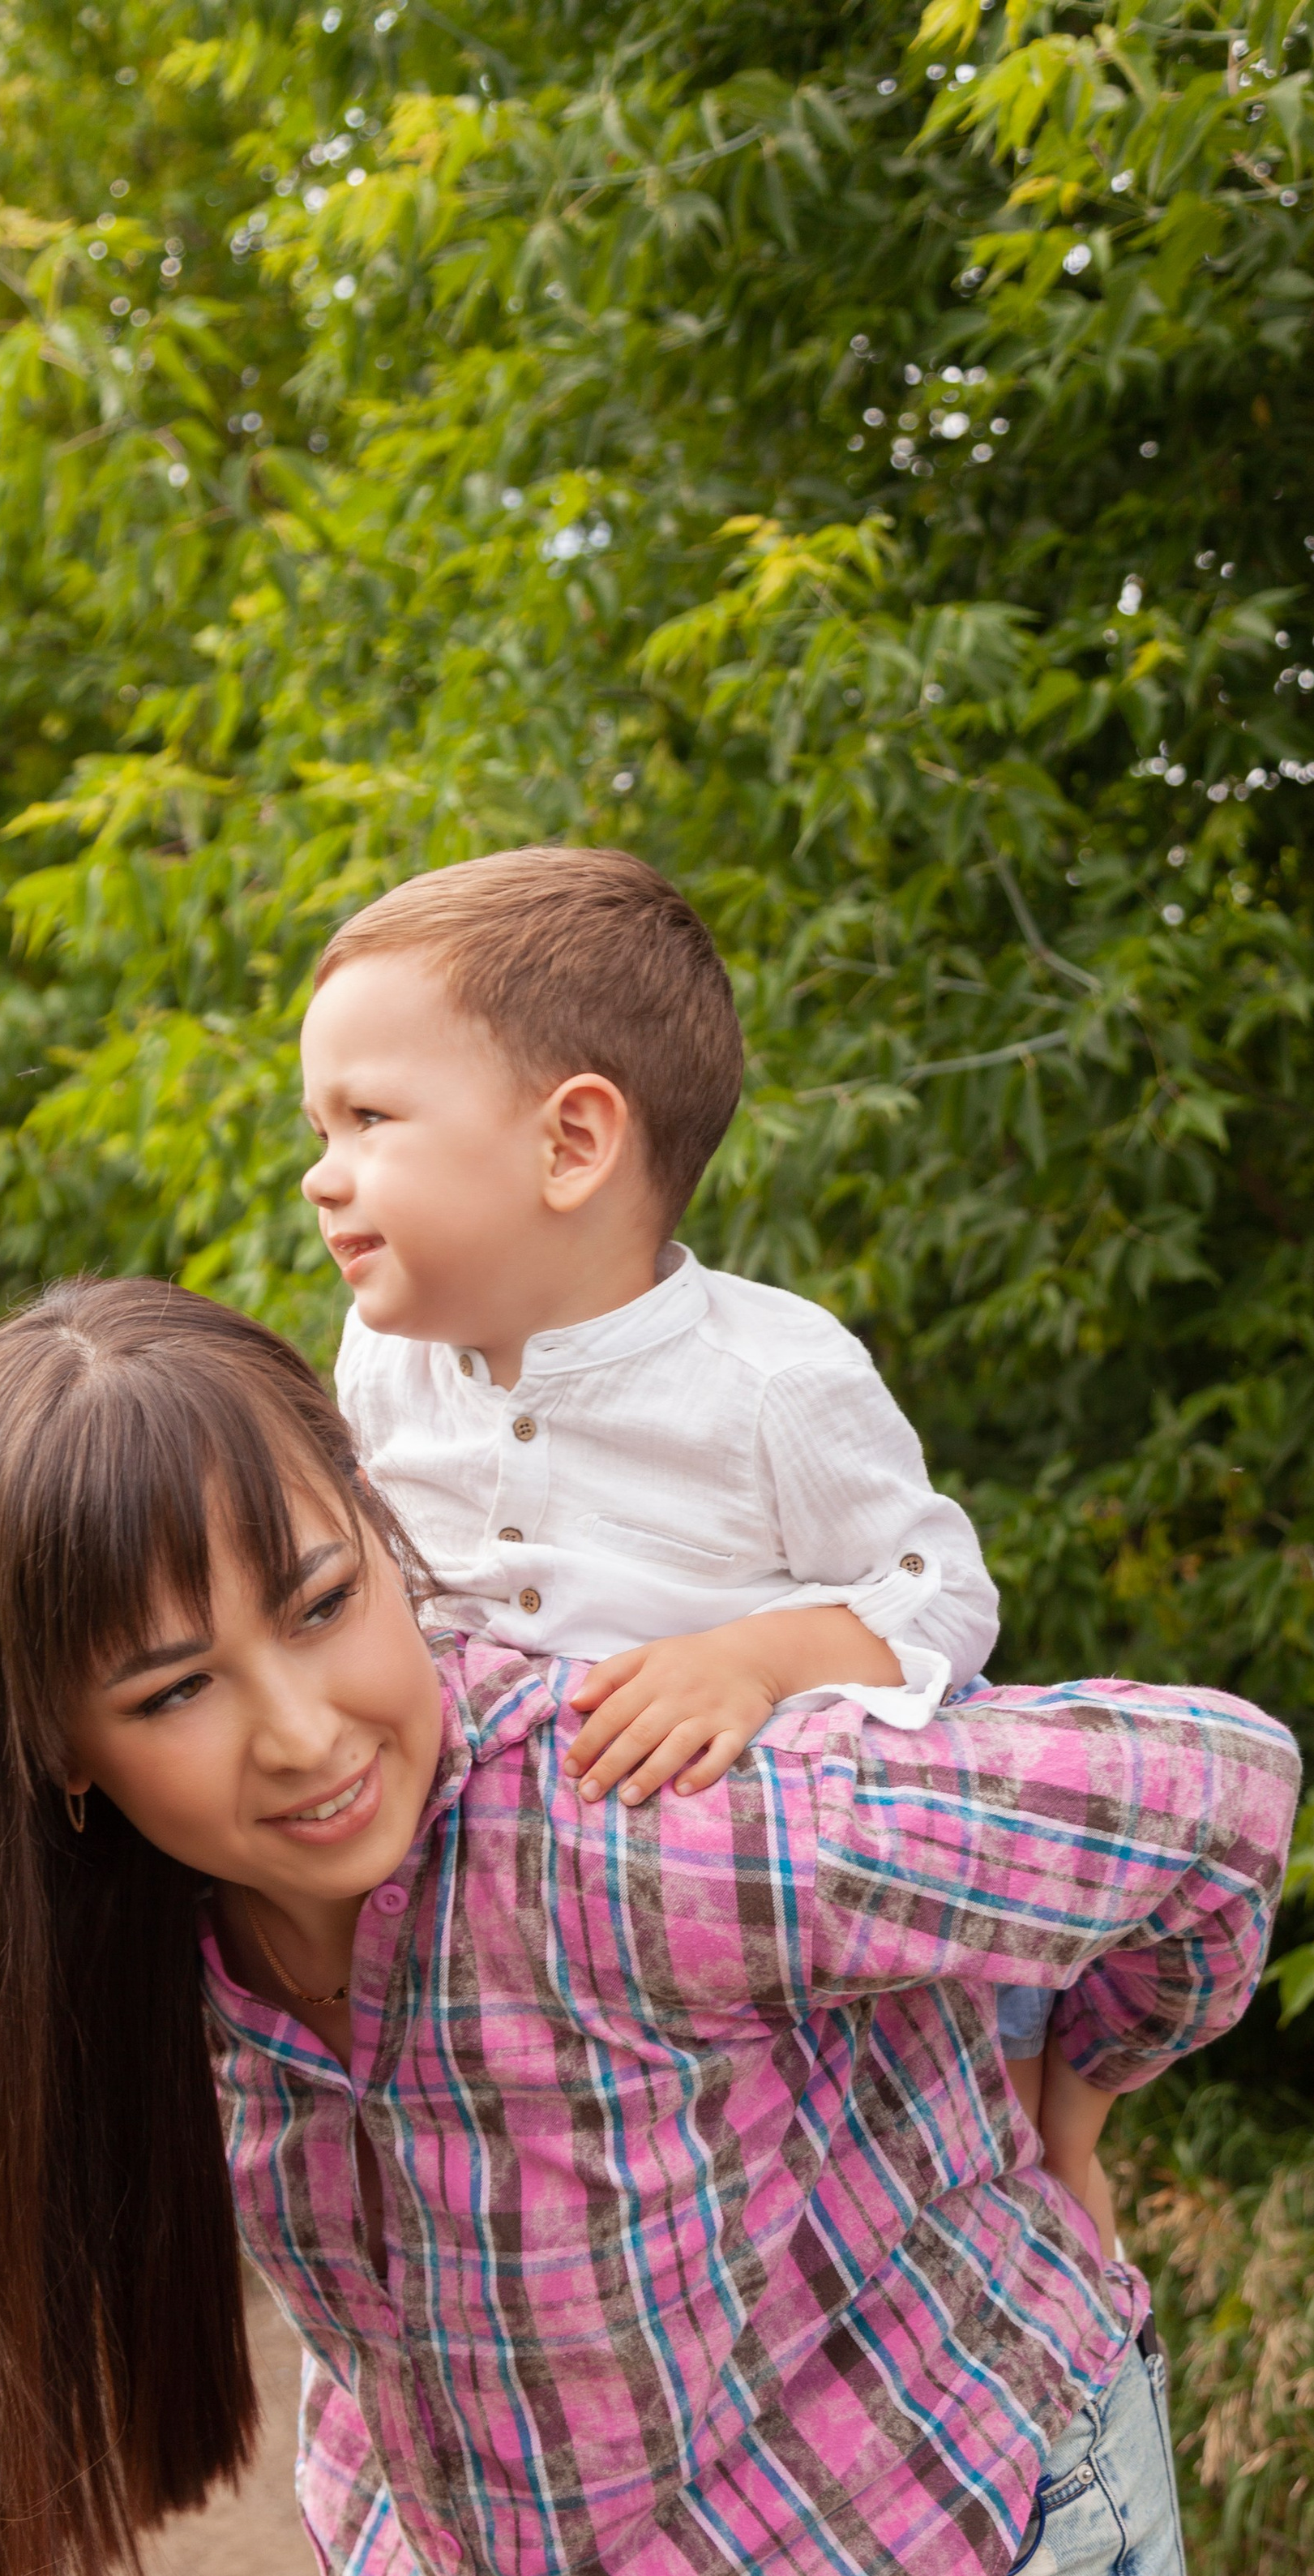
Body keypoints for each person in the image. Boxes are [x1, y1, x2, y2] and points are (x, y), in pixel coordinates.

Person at [0, 1275, 1300, 2576]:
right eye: (174, 1689)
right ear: (58, 1755)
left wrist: (1073, 2090)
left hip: (959, 2555)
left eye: (324, 1602)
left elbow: (1211, 1792)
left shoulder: (643, 1823)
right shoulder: (126, 1962)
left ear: (387, 1527)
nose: (294, 1729)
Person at [300, 842, 1093, 2213]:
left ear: (571, 1143)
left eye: (368, 1120)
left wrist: (761, 1660)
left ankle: (1056, 2165)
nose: (323, 1175)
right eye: (323, 1132)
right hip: (521, 1916)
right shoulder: (382, 1372)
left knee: (963, 2088)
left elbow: (943, 1594)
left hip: (754, 1910)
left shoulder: (769, 1379)